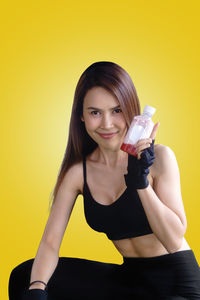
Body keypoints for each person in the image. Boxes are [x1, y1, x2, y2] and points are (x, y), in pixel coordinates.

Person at [8, 61, 200, 300]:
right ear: (81, 116)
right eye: (95, 112)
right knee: (24, 277)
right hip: (129, 280)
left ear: (132, 110)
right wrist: (37, 288)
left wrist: (140, 181)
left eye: (116, 110)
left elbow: (174, 239)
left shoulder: (160, 158)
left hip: (178, 284)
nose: (107, 124)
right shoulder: (78, 173)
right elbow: (50, 242)